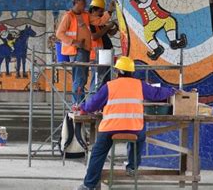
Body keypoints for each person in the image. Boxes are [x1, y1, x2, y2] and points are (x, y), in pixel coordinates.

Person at [76, 56, 177, 190]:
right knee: (139, 138)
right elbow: (157, 93)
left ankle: (89, 185)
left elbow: (92, 105)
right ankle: (132, 167)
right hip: (134, 127)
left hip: (110, 128)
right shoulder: (139, 85)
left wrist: (82, 108)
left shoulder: (109, 86)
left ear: (117, 71)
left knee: (97, 153)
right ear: (132, 72)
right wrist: (173, 91)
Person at [55, 0, 111, 103]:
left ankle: (81, 103)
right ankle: (79, 104)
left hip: (84, 51)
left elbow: (99, 21)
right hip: (76, 52)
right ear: (76, 1)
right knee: (79, 79)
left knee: (82, 79)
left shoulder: (85, 15)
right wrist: (74, 42)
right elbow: (59, 34)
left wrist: (109, 12)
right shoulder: (68, 16)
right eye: (82, 0)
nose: (85, 3)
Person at [89, 0, 118, 91]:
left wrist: (117, 26)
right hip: (98, 55)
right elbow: (94, 36)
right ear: (93, 10)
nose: (102, 14)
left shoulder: (100, 22)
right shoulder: (91, 23)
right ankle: (94, 101)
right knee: (98, 80)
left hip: (106, 54)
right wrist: (108, 26)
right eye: (100, 11)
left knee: (106, 80)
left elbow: (111, 32)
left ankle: (103, 101)